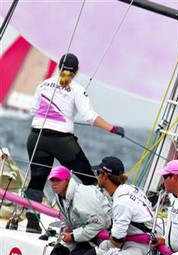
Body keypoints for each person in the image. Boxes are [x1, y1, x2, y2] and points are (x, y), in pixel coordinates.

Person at [24, 53, 124, 234]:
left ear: (59, 67)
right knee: (88, 179)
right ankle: (103, 221)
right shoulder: (77, 89)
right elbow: (90, 117)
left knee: (37, 180)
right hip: (61, 141)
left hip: (36, 137)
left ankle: (31, 223)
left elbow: (33, 110)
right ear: (77, 71)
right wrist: (113, 129)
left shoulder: (43, 84)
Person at [39, 166, 111, 255]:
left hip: (98, 237)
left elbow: (99, 224)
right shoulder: (60, 196)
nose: (54, 184)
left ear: (67, 180)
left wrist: (72, 236)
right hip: (80, 233)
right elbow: (65, 219)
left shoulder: (82, 197)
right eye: (52, 180)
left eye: (58, 180)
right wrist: (66, 230)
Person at [93, 156, 154, 255]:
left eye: (98, 172)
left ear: (105, 176)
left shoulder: (121, 201)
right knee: (94, 252)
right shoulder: (131, 188)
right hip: (137, 242)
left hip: (140, 248)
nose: (96, 176)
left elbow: (117, 241)